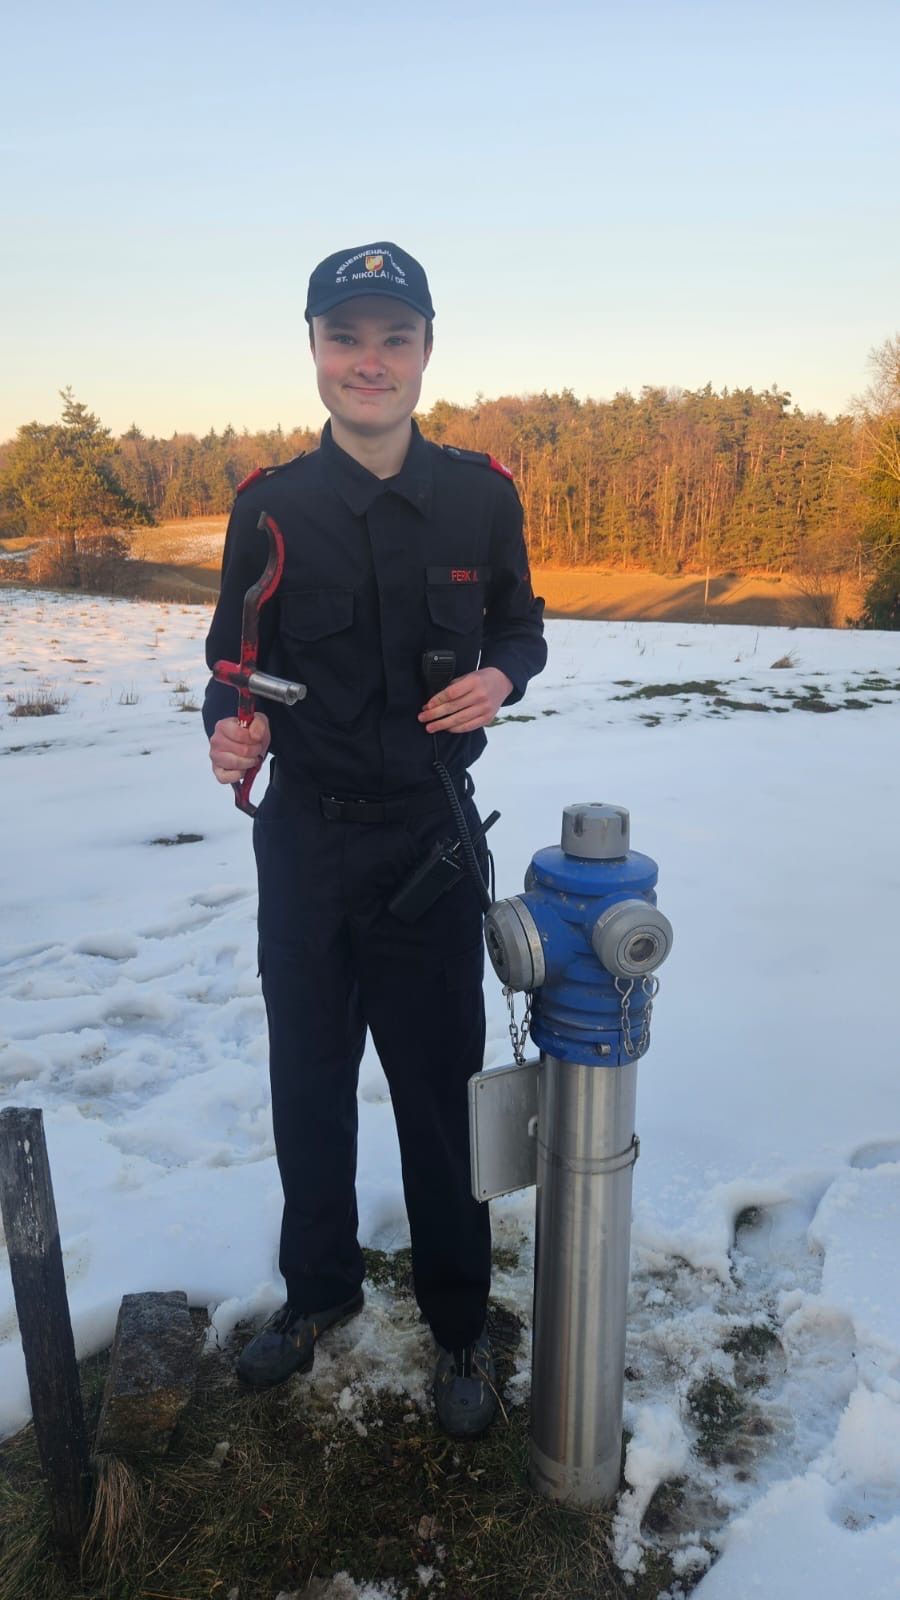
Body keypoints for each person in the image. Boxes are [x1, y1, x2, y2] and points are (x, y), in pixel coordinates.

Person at [203, 241, 546, 1437]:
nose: (370, 361)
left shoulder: (479, 495)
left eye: (393, 338)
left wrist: (502, 671)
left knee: (439, 1096)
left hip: (428, 849)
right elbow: (230, 664)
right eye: (346, 337)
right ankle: (318, 1295)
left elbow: (521, 621)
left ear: (426, 353)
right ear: (313, 350)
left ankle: (460, 1327)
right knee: (308, 1082)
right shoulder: (270, 506)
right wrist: (228, 730)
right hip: (304, 844)